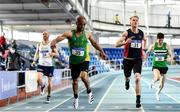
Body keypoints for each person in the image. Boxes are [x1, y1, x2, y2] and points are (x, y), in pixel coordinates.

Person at [50, 16, 106, 109]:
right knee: (75, 81)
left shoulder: (87, 34)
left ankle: (89, 91)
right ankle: (76, 98)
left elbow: (94, 43)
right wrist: (53, 42)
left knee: (84, 76)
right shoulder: (70, 34)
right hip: (74, 61)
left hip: (84, 59)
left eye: (84, 25)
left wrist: (102, 51)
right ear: (77, 23)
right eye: (81, 24)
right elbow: (58, 38)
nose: (83, 26)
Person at [115, 14, 147, 108]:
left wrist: (143, 50)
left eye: (137, 20)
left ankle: (138, 100)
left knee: (137, 78)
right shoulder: (126, 33)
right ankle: (127, 81)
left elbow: (145, 39)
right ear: (130, 22)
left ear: (138, 22)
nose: (135, 22)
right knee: (127, 76)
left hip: (137, 59)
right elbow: (116, 44)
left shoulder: (141, 33)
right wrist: (125, 42)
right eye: (133, 20)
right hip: (127, 59)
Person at [144, 32, 173, 101]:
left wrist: (169, 58)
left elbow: (170, 55)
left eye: (161, 40)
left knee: (162, 85)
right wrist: (145, 60)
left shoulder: (166, 46)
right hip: (156, 66)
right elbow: (147, 52)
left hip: (163, 66)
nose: (160, 41)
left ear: (163, 39)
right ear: (157, 39)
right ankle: (152, 82)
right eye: (159, 40)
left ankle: (157, 93)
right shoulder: (153, 45)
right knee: (157, 77)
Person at [32, 31, 58, 103]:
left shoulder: (52, 44)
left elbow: (57, 54)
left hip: (49, 65)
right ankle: (42, 86)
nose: (44, 35)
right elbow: (36, 53)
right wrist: (34, 60)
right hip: (41, 64)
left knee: (49, 83)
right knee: (38, 80)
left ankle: (48, 96)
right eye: (43, 34)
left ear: (49, 35)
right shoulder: (39, 44)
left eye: (46, 34)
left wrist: (52, 53)